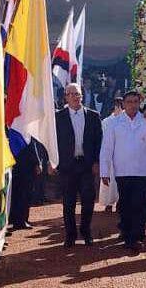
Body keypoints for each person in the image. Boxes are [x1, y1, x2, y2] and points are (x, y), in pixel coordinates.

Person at [99, 91, 146, 253]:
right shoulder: (114, 123)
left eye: (135, 101)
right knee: (125, 204)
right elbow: (107, 149)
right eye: (129, 102)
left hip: (142, 170)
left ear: (139, 103)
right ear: (123, 104)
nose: (132, 105)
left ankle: (136, 237)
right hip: (122, 171)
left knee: (140, 204)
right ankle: (126, 231)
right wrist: (104, 171)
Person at [54, 83, 102, 247]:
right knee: (68, 202)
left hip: (87, 165)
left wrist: (96, 162)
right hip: (67, 165)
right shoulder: (58, 117)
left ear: (82, 96)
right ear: (66, 97)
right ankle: (70, 235)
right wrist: (52, 161)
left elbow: (98, 142)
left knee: (88, 201)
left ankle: (86, 231)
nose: (75, 97)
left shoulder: (93, 116)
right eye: (71, 94)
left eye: (78, 94)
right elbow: (54, 142)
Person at [98, 98, 125, 213]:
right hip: (110, 154)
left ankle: (120, 201)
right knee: (109, 179)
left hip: (122, 155)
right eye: (117, 105)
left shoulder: (125, 120)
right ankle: (108, 203)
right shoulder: (107, 121)